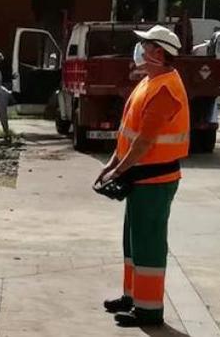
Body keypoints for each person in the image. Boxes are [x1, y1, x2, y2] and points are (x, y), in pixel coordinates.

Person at [95, 25, 190, 328]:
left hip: (154, 180)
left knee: (148, 243)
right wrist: (113, 163)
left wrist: (119, 169)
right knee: (133, 241)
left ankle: (149, 311)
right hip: (140, 178)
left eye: (145, 45)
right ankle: (132, 296)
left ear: (159, 53)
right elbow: (130, 131)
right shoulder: (150, 82)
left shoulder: (165, 90)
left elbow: (144, 142)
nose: (140, 49)